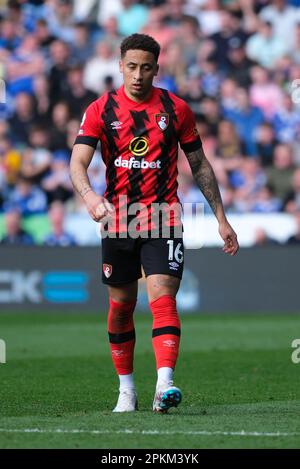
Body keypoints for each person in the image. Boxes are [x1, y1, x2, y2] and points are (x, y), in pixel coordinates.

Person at [70, 33, 239, 414]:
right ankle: (125, 390)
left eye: (146, 68)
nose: (138, 75)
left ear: (156, 69)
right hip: (119, 218)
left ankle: (164, 385)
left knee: (163, 296)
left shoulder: (176, 109)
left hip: (163, 216)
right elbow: (77, 162)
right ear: (120, 66)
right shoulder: (101, 109)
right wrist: (90, 197)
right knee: (121, 305)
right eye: (131, 66)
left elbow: (199, 164)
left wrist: (221, 219)